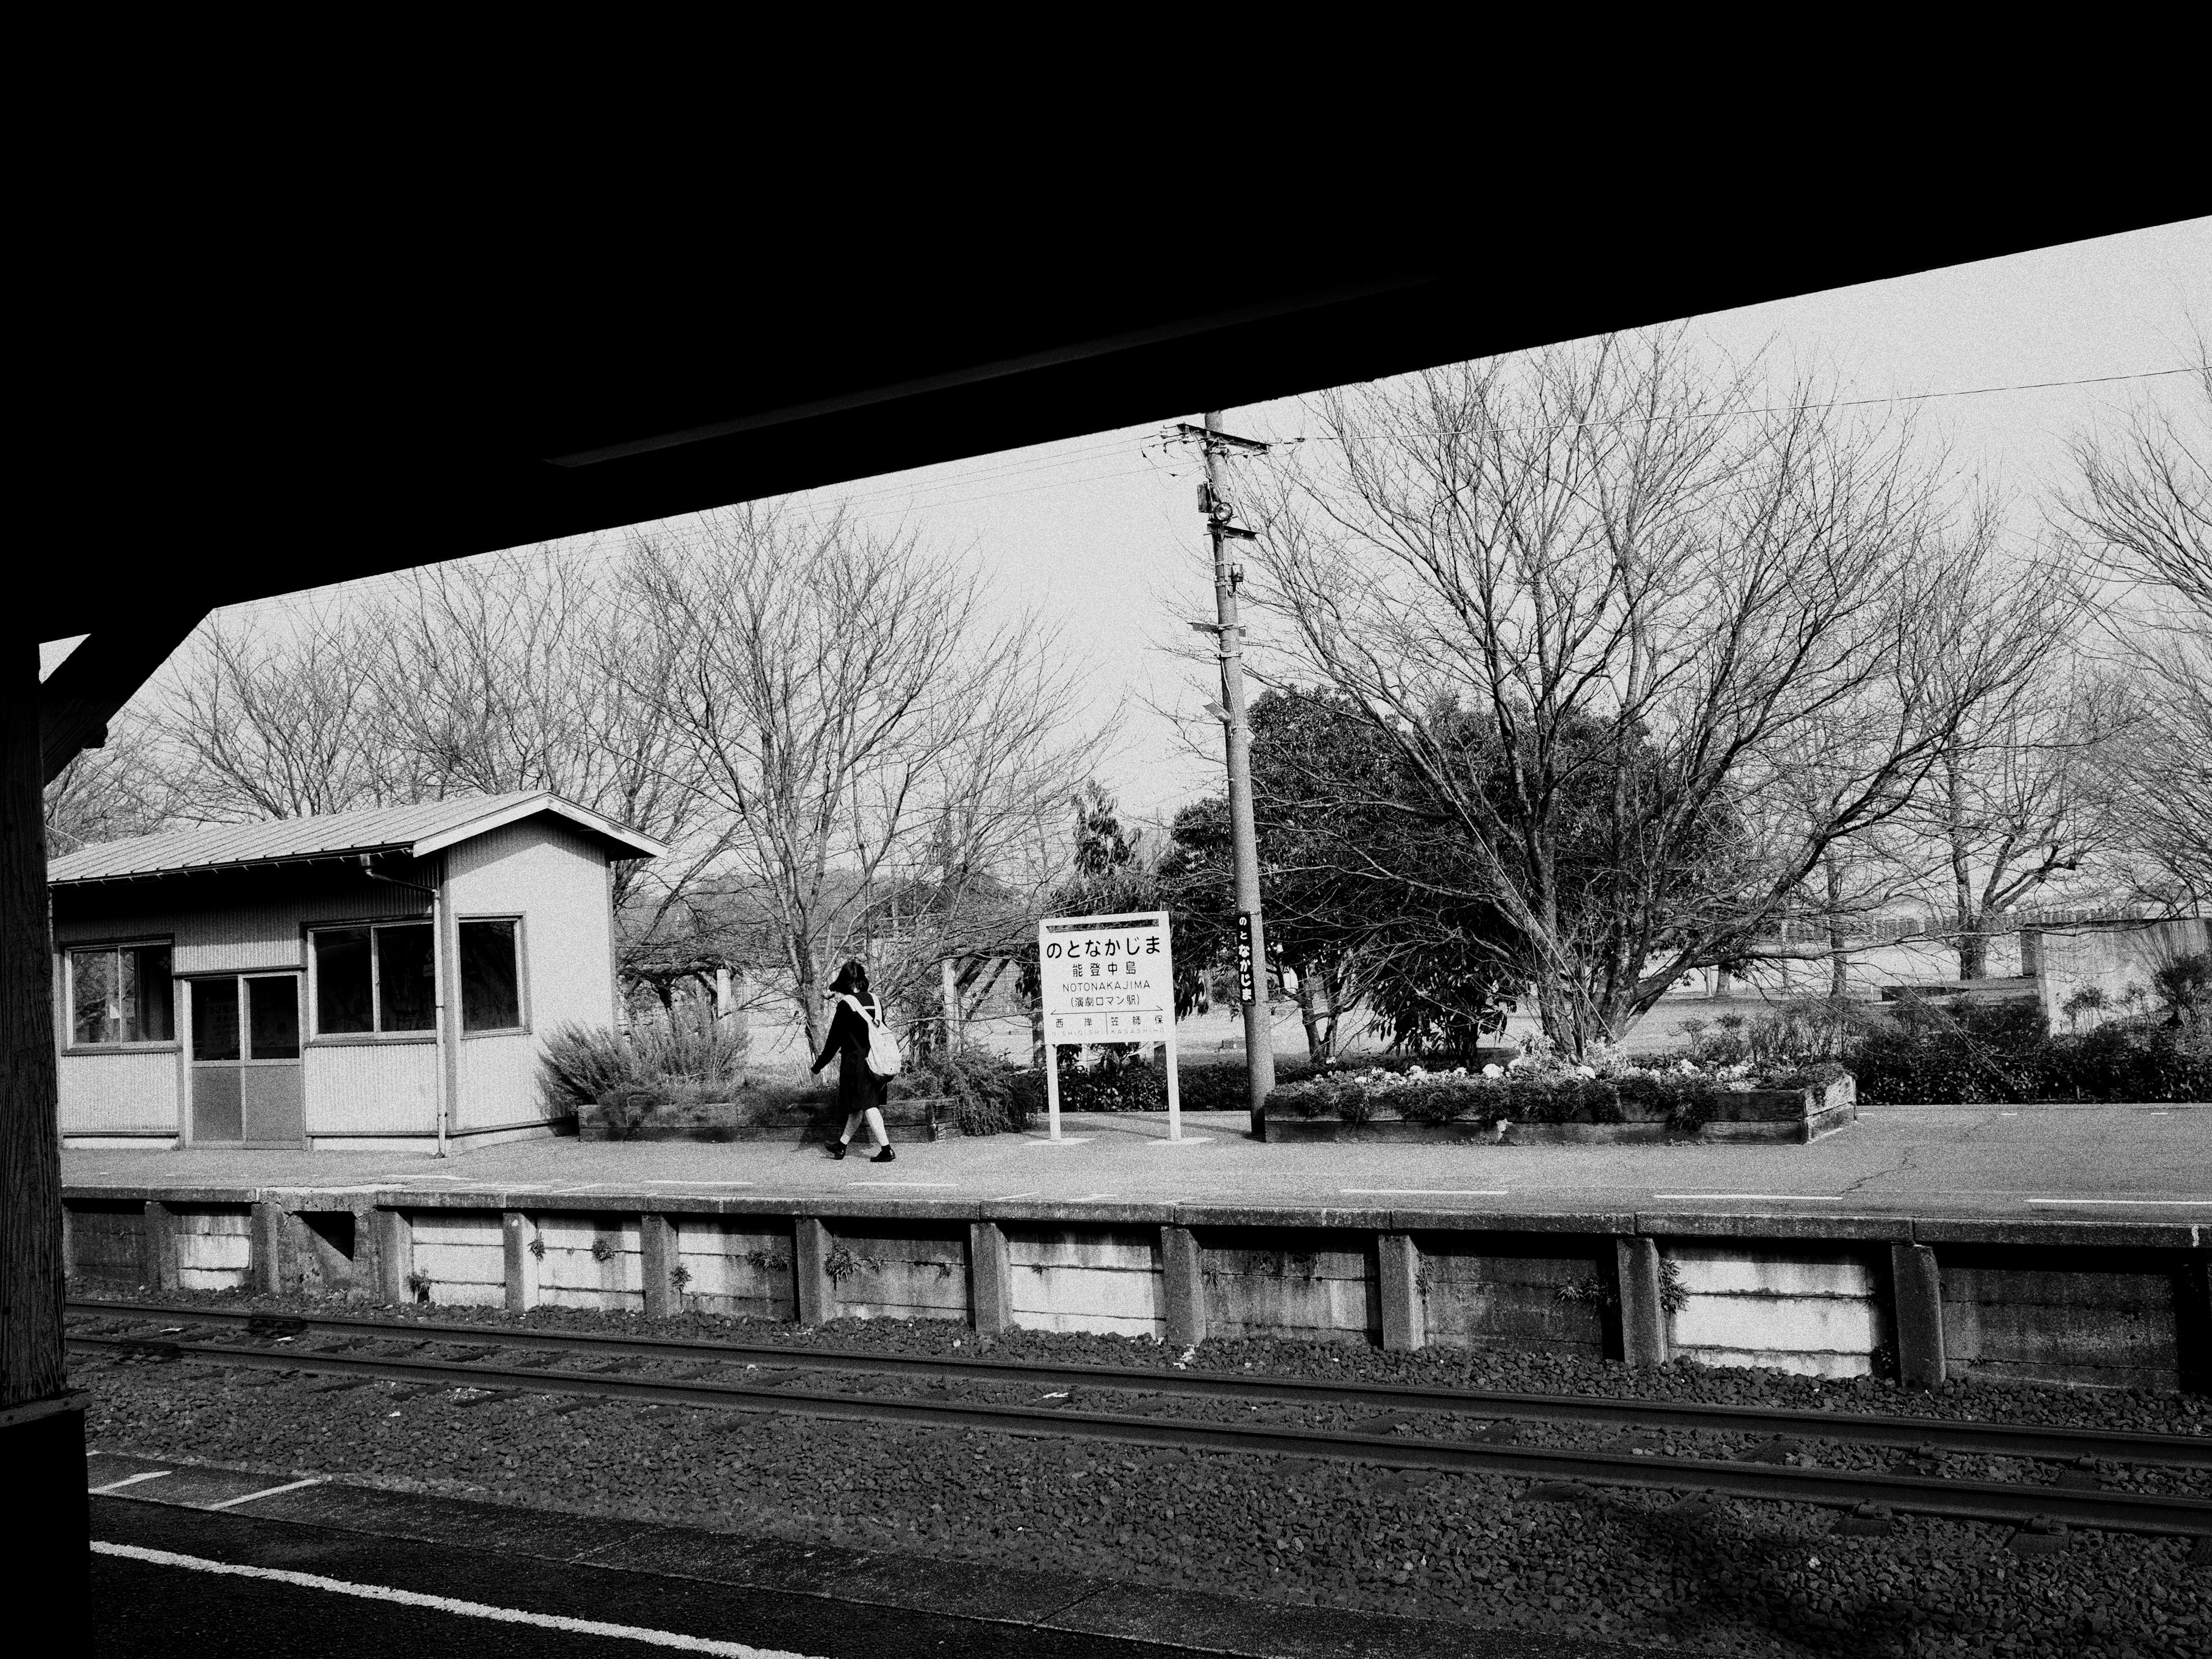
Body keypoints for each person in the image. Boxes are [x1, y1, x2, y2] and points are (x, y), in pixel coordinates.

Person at [811, 959, 895, 1161]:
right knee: (858, 1107)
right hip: (877, 1061)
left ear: (844, 982)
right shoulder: (876, 1001)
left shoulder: (846, 1005)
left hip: (856, 1064)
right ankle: (841, 1146)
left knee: (868, 1107)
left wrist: (818, 1066)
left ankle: (886, 1150)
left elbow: (833, 1042)